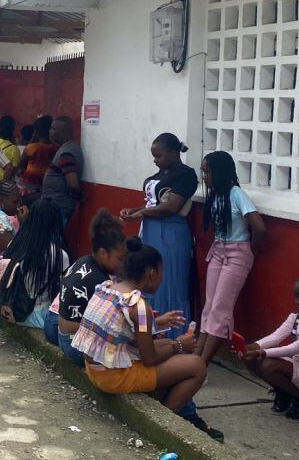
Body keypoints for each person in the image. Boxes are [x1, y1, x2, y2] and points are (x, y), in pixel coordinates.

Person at [72, 238, 221, 439]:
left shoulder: (107, 288)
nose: (161, 278)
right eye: (161, 272)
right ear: (152, 273)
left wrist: (159, 326)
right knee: (197, 365)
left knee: (164, 344)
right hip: (113, 377)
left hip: (94, 369)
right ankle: (160, 423)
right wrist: (178, 345)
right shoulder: (139, 306)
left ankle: (158, 399)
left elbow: (123, 332)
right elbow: (149, 358)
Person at [120, 133, 197, 340]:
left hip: (170, 233)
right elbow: (153, 203)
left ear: (174, 152)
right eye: (154, 156)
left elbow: (171, 207)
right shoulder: (160, 174)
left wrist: (142, 213)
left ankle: (174, 336)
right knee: (147, 279)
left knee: (169, 283)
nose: (155, 160)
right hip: (150, 231)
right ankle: (149, 331)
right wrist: (134, 210)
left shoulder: (186, 175)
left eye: (159, 156)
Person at [196, 151, 266, 364]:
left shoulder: (236, 194)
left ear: (220, 172)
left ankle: (202, 363)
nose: (205, 177)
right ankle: (195, 357)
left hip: (237, 254)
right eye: (203, 172)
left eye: (208, 172)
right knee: (210, 305)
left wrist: (250, 249)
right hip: (218, 251)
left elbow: (259, 228)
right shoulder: (215, 195)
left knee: (221, 307)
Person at [243, 263, 299, 421]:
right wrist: (250, 347)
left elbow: (294, 348)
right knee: (249, 358)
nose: (297, 301)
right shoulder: (297, 316)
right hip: (295, 368)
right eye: (296, 297)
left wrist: (261, 352)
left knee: (268, 364)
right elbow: (276, 337)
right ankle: (285, 392)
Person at [45, 209, 128, 366]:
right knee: (128, 349)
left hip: (61, 334)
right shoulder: (99, 282)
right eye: (120, 259)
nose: (123, 264)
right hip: (74, 346)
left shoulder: (83, 261)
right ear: (103, 253)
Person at [0, 197, 69, 329]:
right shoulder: (59, 255)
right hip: (35, 314)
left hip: (12, 309)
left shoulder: (16, 244)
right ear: (55, 223)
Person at [41, 116, 82, 224]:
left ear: (63, 132)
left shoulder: (67, 152)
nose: (49, 131)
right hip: (56, 205)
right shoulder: (67, 148)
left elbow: (73, 184)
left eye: (53, 128)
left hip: (58, 206)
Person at [16, 116, 57, 198]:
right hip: (47, 187)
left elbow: (21, 166)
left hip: (27, 186)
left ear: (36, 132)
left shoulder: (31, 147)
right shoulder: (56, 148)